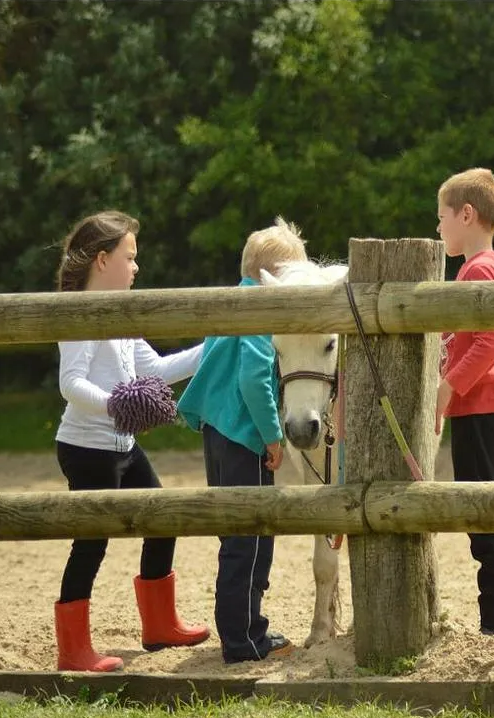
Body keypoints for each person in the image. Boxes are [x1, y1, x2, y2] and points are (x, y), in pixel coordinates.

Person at [53, 210, 209, 672]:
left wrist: (218, 342)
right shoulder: (78, 311)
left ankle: (160, 626)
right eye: (130, 256)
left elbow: (157, 370)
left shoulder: (119, 313)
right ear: (103, 261)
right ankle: (73, 650)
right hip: (86, 447)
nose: (136, 267)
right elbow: (71, 384)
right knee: (92, 541)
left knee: (161, 517)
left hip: (120, 444)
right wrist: (119, 407)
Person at [177, 217, 307, 662]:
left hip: (217, 433)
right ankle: (243, 639)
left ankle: (244, 630)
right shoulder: (258, 311)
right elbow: (255, 378)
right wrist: (273, 436)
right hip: (243, 435)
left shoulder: (231, 302)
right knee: (251, 538)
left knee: (236, 536)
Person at [434, 168, 494, 637]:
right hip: (487, 407)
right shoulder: (481, 267)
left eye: (442, 217)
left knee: (486, 518)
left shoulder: (480, 269)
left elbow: (491, 341)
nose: (438, 227)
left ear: (467, 214)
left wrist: (450, 384)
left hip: (482, 407)